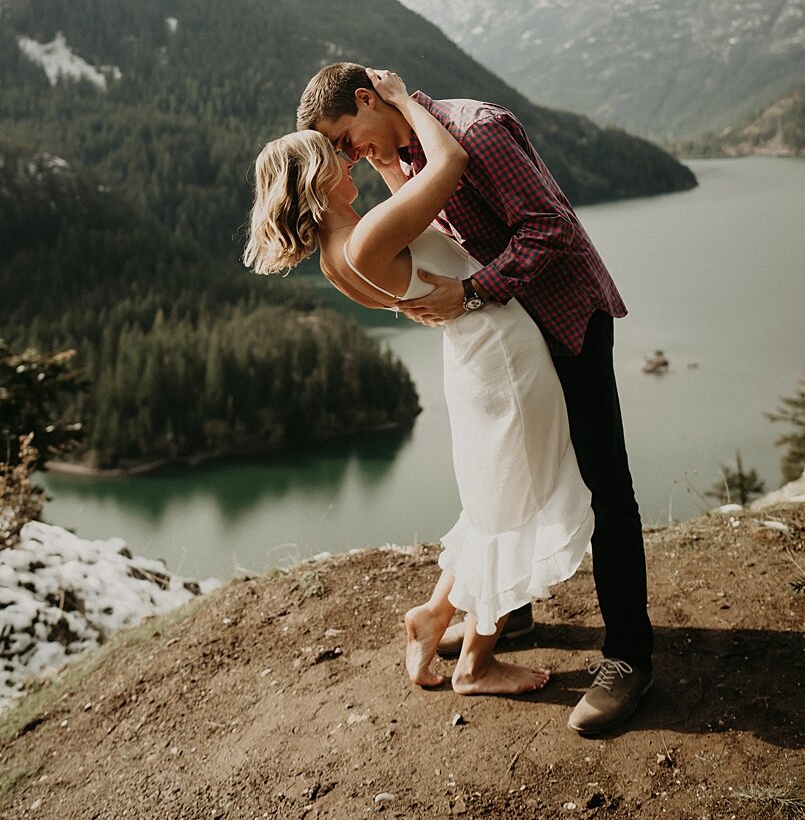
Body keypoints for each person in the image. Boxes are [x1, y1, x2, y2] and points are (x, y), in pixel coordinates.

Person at [296, 63, 654, 736]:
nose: (349, 154)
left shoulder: (476, 130)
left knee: (606, 484)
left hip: (566, 316)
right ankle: (509, 610)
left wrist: (471, 291)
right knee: (510, 476)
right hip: (513, 332)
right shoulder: (409, 150)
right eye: (339, 151)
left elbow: (552, 229)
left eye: (346, 137)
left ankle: (630, 658)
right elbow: (425, 230)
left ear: (370, 99)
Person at [245, 69, 594, 699]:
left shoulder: (343, 247)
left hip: (477, 359)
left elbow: (412, 199)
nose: (349, 155)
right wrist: (404, 100)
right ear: (315, 179)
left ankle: (434, 617)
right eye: (335, 154)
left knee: (494, 499)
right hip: (500, 358)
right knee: (508, 508)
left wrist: (385, 149)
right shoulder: (371, 234)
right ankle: (477, 665)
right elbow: (451, 160)